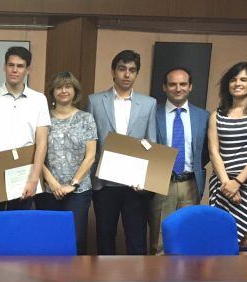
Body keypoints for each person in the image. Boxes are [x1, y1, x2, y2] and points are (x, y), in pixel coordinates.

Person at [0, 46, 50, 255]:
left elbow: (41, 143)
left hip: (25, 178)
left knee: (18, 233)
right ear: (4, 66)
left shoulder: (39, 100)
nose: (15, 70)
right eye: (11, 65)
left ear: (28, 69)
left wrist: (34, 179)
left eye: (20, 66)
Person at [87, 50, 157, 255]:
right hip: (104, 183)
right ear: (113, 71)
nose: (127, 74)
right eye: (122, 69)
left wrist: (147, 180)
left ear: (136, 74)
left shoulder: (148, 103)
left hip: (134, 185)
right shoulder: (94, 101)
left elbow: (151, 142)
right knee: (104, 235)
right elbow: (91, 142)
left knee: (136, 238)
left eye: (132, 70)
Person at [148, 67, 209, 255]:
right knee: (159, 240)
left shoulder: (203, 116)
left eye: (183, 84)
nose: (178, 88)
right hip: (161, 183)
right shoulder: (152, 113)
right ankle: (157, 281)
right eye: (172, 84)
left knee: (187, 237)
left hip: (190, 183)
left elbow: (206, 151)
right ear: (164, 87)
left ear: (190, 87)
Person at [35, 72, 97, 255]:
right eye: (59, 87)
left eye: (68, 86)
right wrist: (52, 183)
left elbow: (91, 156)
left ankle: (75, 281)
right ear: (52, 91)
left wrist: (73, 184)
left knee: (75, 240)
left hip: (78, 191)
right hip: (47, 190)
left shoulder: (86, 118)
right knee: (48, 241)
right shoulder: (42, 118)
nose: (64, 90)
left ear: (74, 90)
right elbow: (35, 153)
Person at [208, 62, 247, 248]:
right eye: (233, 79)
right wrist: (227, 184)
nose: (237, 83)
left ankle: (244, 278)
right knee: (220, 238)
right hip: (222, 185)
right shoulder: (217, 115)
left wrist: (237, 182)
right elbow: (214, 152)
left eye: (243, 79)